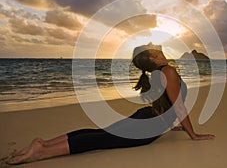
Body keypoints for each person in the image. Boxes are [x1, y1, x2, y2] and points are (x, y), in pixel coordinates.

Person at [6, 43, 215, 165]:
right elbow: (177, 105)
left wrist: (172, 124)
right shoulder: (168, 71)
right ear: (153, 57)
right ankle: (42, 152)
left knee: (101, 133)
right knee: (101, 140)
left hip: (146, 117)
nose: (160, 49)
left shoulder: (158, 73)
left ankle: (44, 143)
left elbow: (164, 103)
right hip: (149, 125)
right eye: (156, 49)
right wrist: (193, 134)